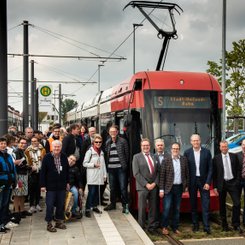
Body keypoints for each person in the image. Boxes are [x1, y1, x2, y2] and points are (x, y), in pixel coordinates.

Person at [184, 134, 212, 234]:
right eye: (194, 141)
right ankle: (195, 224)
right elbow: (185, 170)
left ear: (200, 141)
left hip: (204, 181)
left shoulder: (207, 152)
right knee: (193, 203)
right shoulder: (187, 153)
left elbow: (210, 169)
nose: (196, 142)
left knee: (205, 204)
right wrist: (186, 184)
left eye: (197, 140)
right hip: (192, 182)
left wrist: (208, 182)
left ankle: (206, 226)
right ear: (191, 142)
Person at [159, 142, 189, 235]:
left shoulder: (184, 159)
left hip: (179, 188)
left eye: (177, 148)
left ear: (179, 149)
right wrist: (161, 189)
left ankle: (175, 227)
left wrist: (186, 185)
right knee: (167, 208)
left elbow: (187, 173)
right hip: (168, 188)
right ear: (171, 150)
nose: (175, 150)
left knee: (177, 208)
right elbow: (162, 176)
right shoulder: (166, 160)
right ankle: (164, 226)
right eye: (174, 148)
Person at [40, 140, 70, 232]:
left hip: (61, 185)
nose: (57, 148)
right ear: (52, 147)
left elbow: (67, 171)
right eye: (55, 147)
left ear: (61, 147)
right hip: (50, 186)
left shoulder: (64, 156)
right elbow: (42, 172)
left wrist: (67, 182)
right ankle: (49, 224)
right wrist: (42, 185)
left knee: (60, 204)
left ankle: (58, 222)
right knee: (50, 205)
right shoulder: (47, 157)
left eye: (58, 147)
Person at [213, 140, 242, 233]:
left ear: (228, 147)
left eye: (225, 146)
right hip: (222, 184)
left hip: (233, 183)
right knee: (222, 205)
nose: (224, 148)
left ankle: (235, 224)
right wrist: (215, 187)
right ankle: (224, 224)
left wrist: (237, 181)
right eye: (222, 146)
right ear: (220, 148)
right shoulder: (216, 158)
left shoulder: (234, 156)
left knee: (237, 203)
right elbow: (215, 174)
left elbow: (238, 169)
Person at [132, 138, 159, 233]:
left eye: (147, 145)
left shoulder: (154, 156)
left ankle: (151, 227)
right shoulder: (136, 157)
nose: (146, 147)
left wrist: (155, 183)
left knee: (153, 207)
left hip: (154, 186)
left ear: (150, 146)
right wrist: (146, 184)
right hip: (142, 187)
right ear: (141, 146)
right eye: (144, 145)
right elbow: (136, 173)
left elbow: (158, 172)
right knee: (142, 208)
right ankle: (141, 227)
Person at [104, 125, 129, 213]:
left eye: (114, 132)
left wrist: (124, 166)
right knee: (112, 188)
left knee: (123, 188)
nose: (113, 133)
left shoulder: (123, 141)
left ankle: (125, 206)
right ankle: (112, 204)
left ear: (117, 132)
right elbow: (106, 155)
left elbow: (127, 155)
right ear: (109, 133)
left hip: (120, 169)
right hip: (111, 169)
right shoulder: (107, 142)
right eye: (111, 132)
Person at [83, 134, 107, 218]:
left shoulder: (102, 152)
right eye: (96, 142)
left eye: (100, 142)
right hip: (92, 176)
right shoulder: (90, 151)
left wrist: (105, 174)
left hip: (99, 176)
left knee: (97, 192)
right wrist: (93, 165)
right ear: (93, 142)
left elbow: (103, 164)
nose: (98, 143)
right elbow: (84, 163)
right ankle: (87, 209)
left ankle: (94, 206)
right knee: (92, 192)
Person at [25, 136, 46, 213]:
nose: (34, 143)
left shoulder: (42, 150)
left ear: (38, 142)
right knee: (31, 189)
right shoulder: (27, 150)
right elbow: (26, 161)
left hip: (40, 171)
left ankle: (37, 204)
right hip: (31, 172)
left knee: (38, 189)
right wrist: (31, 167)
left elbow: (44, 160)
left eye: (35, 141)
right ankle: (31, 205)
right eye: (32, 141)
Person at [12, 137, 32, 219]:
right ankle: (17, 212)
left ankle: (22, 210)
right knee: (17, 194)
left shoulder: (22, 151)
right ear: (18, 143)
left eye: (25, 143)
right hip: (19, 175)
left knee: (23, 193)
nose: (23, 144)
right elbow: (18, 164)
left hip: (23, 174)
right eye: (21, 143)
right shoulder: (16, 151)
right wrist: (29, 168)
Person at [0, 137, 16, 233]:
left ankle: (3, 223)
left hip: (8, 182)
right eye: (1, 143)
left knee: (5, 204)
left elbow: (13, 168)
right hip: (1, 183)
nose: (3, 145)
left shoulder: (8, 155)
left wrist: (14, 180)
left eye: (4, 143)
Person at [237, 139, 245, 226]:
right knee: (237, 201)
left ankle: (244, 221)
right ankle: (236, 222)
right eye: (243, 144)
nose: (244, 146)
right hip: (238, 181)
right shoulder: (237, 155)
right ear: (241, 145)